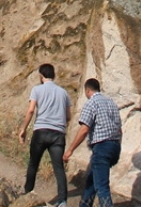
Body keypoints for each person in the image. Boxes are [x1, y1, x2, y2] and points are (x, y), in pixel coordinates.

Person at [18, 63, 71, 207]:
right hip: (58, 134)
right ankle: (62, 201)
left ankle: (28, 194)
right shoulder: (63, 93)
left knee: (33, 164)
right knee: (58, 168)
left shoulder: (37, 89)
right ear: (54, 75)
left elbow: (31, 110)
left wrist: (23, 128)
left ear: (41, 76)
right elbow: (68, 116)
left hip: (41, 131)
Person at [64, 78, 123, 207]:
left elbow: (84, 129)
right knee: (92, 180)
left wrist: (70, 150)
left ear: (87, 90)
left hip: (101, 147)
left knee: (102, 186)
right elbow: (119, 130)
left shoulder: (91, 103)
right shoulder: (111, 103)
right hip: (115, 147)